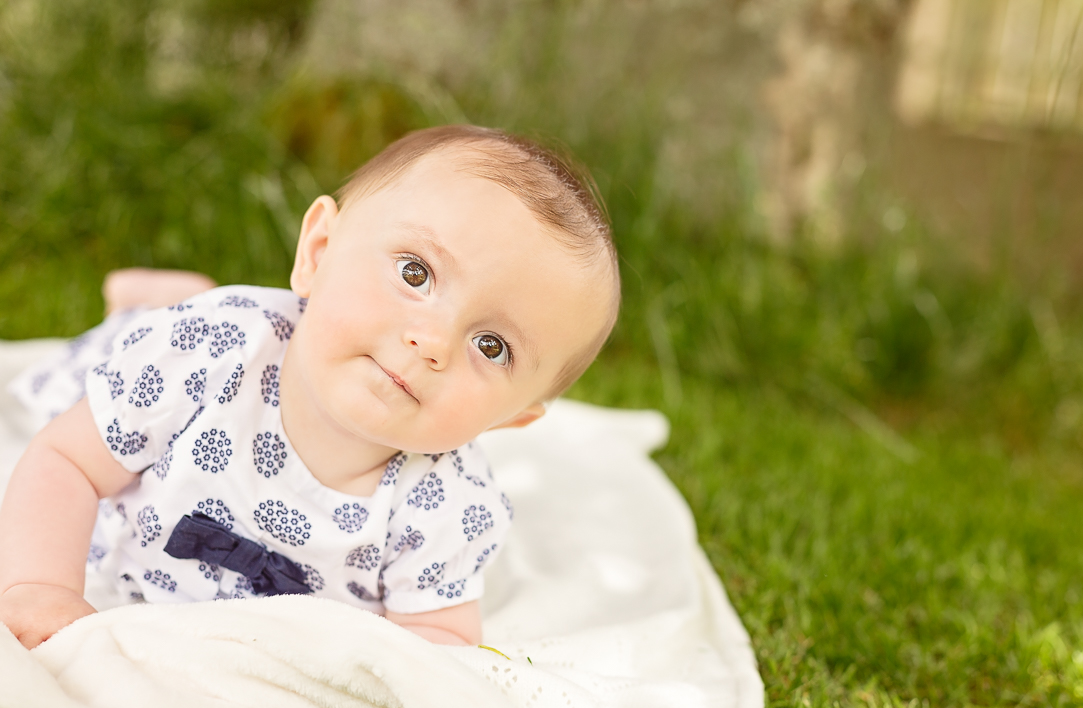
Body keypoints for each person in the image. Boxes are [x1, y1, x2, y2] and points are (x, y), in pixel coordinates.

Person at [0, 125, 620, 650]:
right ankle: (151, 299)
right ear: (319, 253)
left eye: (492, 346)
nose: (432, 342)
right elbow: (65, 464)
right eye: (416, 273)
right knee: (86, 374)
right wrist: (42, 589)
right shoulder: (203, 353)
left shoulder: (448, 509)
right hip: (183, 360)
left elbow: (440, 649)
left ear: (510, 418)